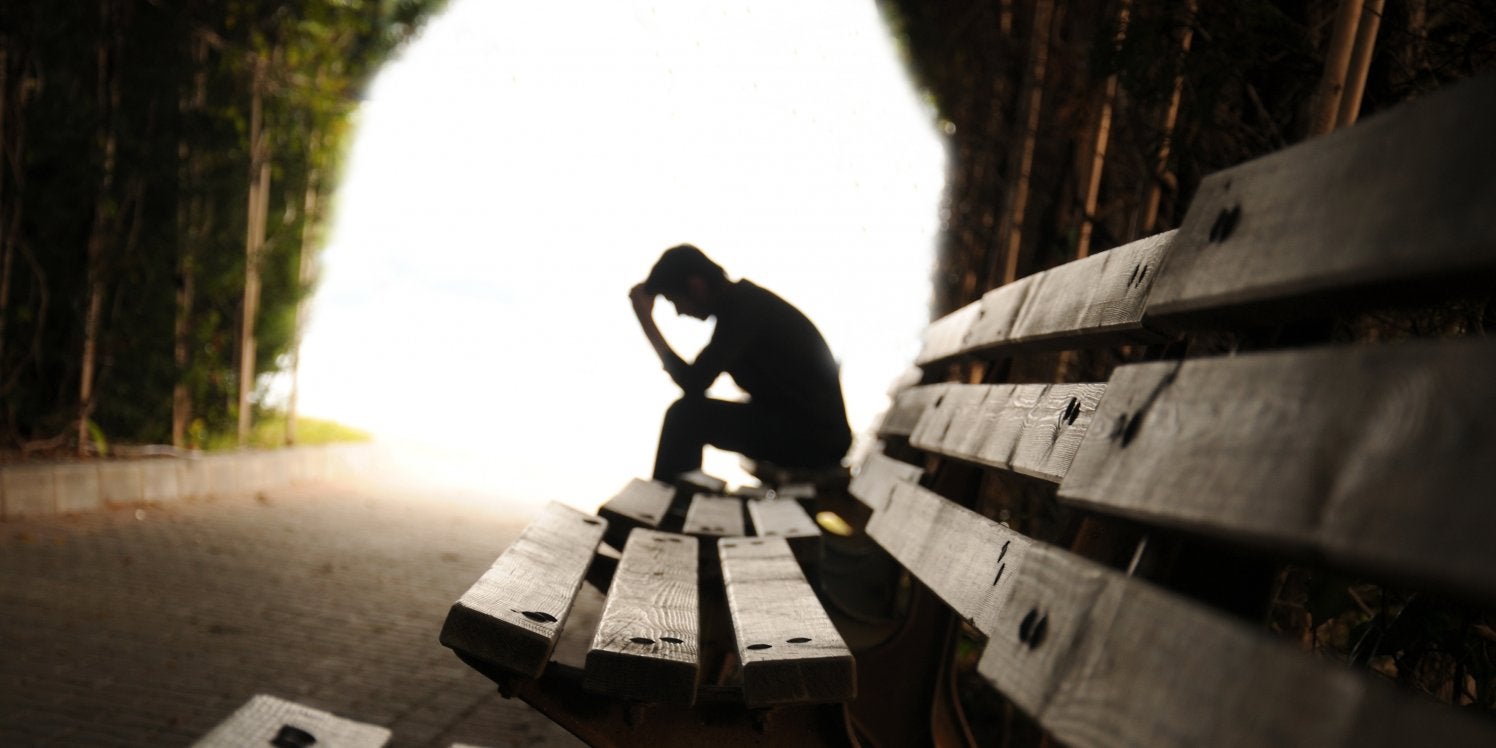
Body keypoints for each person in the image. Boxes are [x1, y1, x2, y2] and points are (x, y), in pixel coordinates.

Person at [629, 244, 852, 485]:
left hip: (816, 440)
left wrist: (646, 322)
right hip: (813, 433)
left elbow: (694, 383)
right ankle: (673, 503)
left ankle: (663, 510)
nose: (679, 312)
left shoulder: (744, 309)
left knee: (684, 417)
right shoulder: (743, 305)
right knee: (688, 414)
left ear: (696, 286)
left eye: (676, 301)